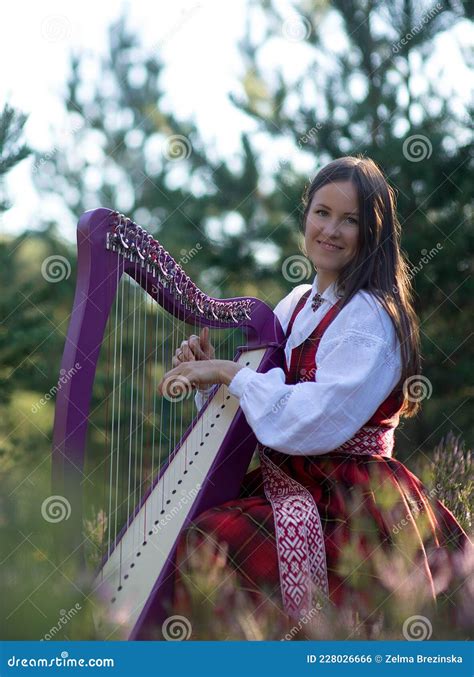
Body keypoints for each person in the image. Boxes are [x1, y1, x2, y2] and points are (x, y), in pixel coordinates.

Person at [157, 155, 472, 636]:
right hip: (293, 482)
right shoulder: (297, 304)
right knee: (200, 532)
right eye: (322, 213)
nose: (331, 229)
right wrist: (211, 379)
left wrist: (228, 373)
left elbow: (317, 418)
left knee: (213, 538)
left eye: (351, 221)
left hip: (350, 496)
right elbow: (260, 409)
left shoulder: (371, 316)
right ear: (305, 217)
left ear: (373, 235)